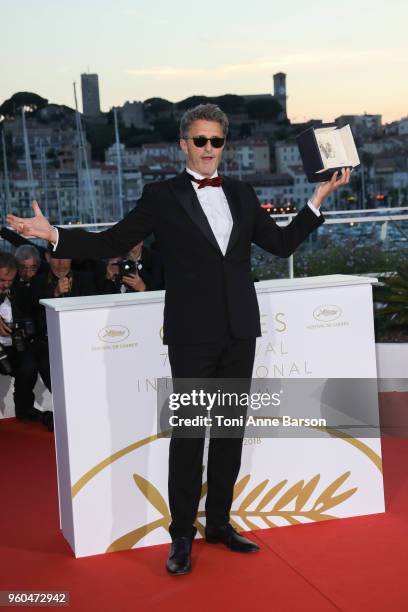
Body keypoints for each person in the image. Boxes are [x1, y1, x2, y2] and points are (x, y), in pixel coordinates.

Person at [7, 103, 350, 575]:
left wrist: (317, 198)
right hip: (191, 334)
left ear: (222, 146)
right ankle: (182, 536)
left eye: (217, 141)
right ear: (184, 144)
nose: (209, 149)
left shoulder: (243, 192)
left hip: (239, 330)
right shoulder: (162, 195)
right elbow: (110, 242)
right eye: (201, 140)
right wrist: (55, 237)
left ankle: (221, 525)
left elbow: (282, 244)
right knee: (189, 437)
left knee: (229, 433)